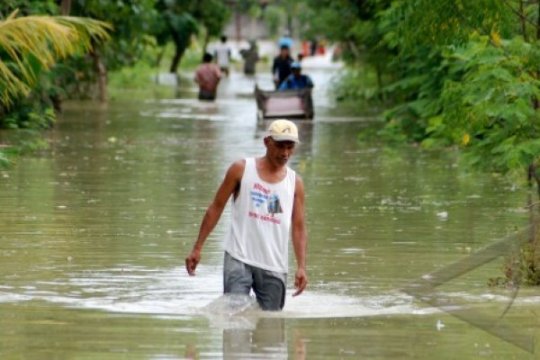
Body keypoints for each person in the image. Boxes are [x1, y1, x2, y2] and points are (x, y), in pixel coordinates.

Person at [185, 119, 308, 311]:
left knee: (271, 330)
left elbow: (298, 226)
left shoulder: (295, 183)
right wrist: (197, 247)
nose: (285, 153)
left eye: (289, 147)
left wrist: (301, 266)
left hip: (274, 264)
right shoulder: (241, 170)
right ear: (267, 142)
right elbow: (216, 207)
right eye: (280, 146)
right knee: (233, 320)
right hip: (238, 258)